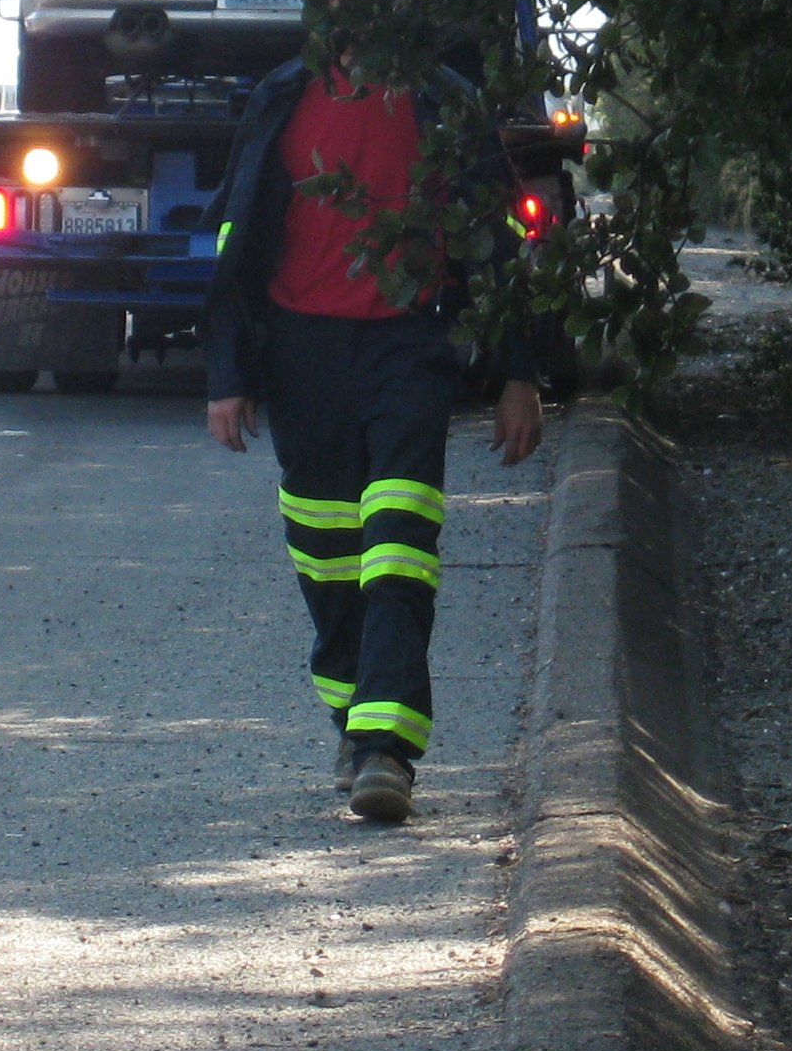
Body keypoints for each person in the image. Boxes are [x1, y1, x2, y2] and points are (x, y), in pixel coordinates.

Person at [203, 48, 545, 824]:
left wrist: (518, 375)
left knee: (398, 545)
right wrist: (229, 373)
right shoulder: (282, 95)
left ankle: (385, 751)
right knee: (328, 559)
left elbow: (495, 241)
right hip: (301, 354)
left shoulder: (444, 98)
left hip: (407, 347)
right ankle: (355, 722)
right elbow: (237, 233)